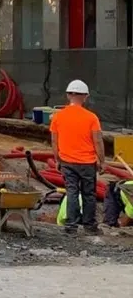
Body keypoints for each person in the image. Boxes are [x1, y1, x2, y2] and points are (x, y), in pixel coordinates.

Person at [50, 79, 104, 235]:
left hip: (67, 161)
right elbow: (98, 141)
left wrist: (57, 160)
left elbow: (54, 141)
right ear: (85, 96)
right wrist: (102, 161)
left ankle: (71, 225)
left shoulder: (58, 117)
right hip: (87, 163)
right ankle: (90, 226)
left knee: (72, 192)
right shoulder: (91, 117)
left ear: (68, 95)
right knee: (89, 194)